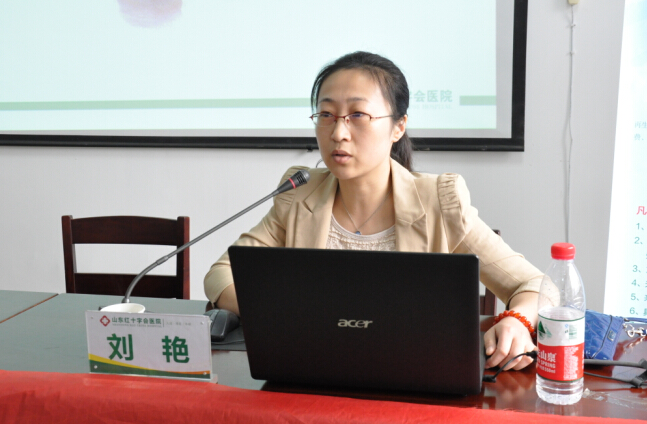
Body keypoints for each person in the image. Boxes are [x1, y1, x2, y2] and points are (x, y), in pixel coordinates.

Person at [204, 51, 543, 371]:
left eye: (358, 116)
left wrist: (517, 321)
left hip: (415, 376)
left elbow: (535, 284)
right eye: (326, 115)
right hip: (314, 372)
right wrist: (283, 315)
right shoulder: (300, 194)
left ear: (398, 126)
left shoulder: (439, 201)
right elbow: (221, 273)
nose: (338, 133)